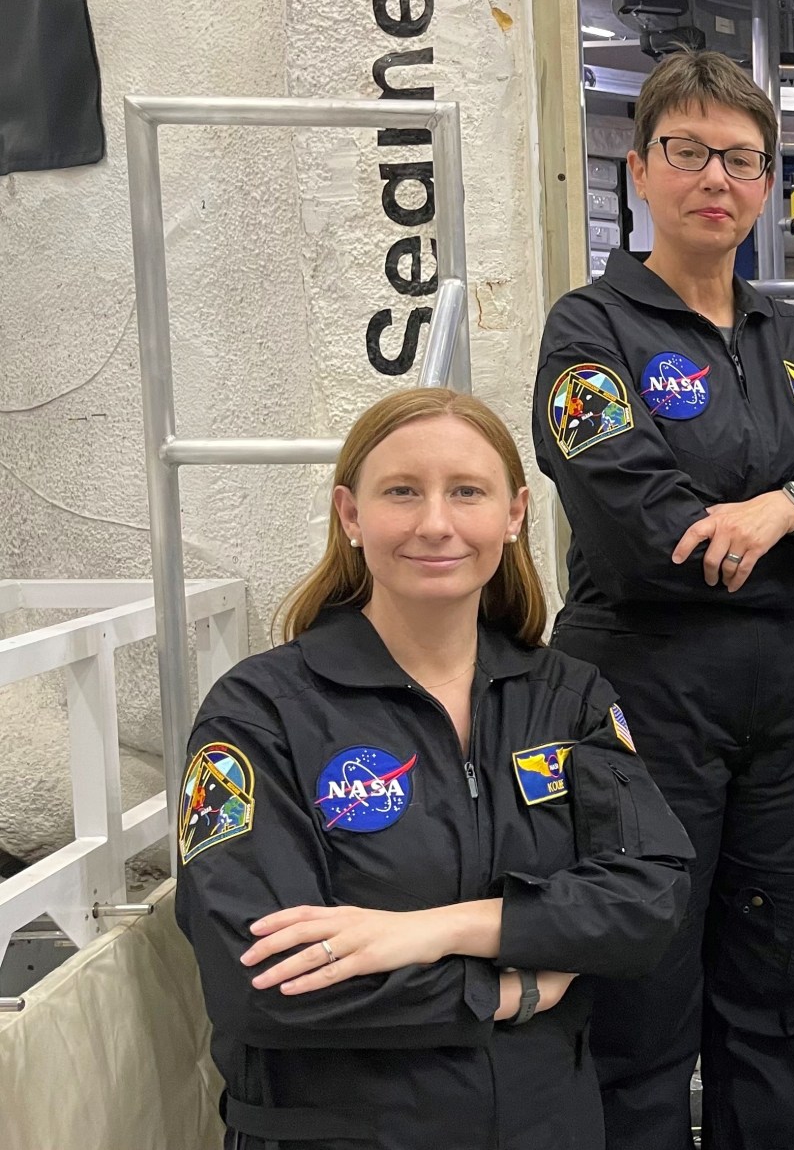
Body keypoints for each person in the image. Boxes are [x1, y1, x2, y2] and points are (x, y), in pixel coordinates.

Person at [529, 50, 794, 1150]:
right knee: (642, 1002)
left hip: (790, 698)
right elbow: (642, 532)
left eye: (741, 159)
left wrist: (785, 511)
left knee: (779, 991)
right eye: (687, 151)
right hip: (641, 693)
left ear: (766, 183)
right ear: (641, 170)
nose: (715, 176)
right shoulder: (589, 331)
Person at [174, 388, 695, 1149]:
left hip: (546, 1127)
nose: (436, 523)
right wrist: (506, 988)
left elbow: (649, 898)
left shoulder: (569, 699)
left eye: (466, 491)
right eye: (402, 492)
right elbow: (263, 977)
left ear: (514, 514)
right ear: (351, 516)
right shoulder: (261, 713)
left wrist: (436, 929)